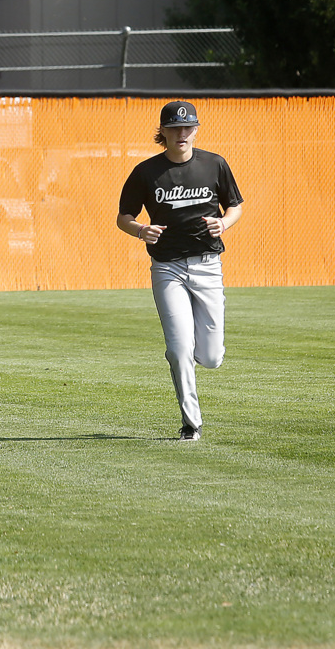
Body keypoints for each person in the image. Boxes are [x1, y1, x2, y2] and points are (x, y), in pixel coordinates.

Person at [117, 101, 243, 442]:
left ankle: (193, 356)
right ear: (164, 133)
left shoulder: (214, 164)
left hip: (207, 265)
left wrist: (224, 223)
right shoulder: (147, 172)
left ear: (196, 129)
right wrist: (141, 230)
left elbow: (235, 205)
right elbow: (123, 217)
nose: (182, 133)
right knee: (178, 348)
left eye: (188, 127)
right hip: (167, 267)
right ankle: (192, 423)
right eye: (174, 128)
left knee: (212, 357)